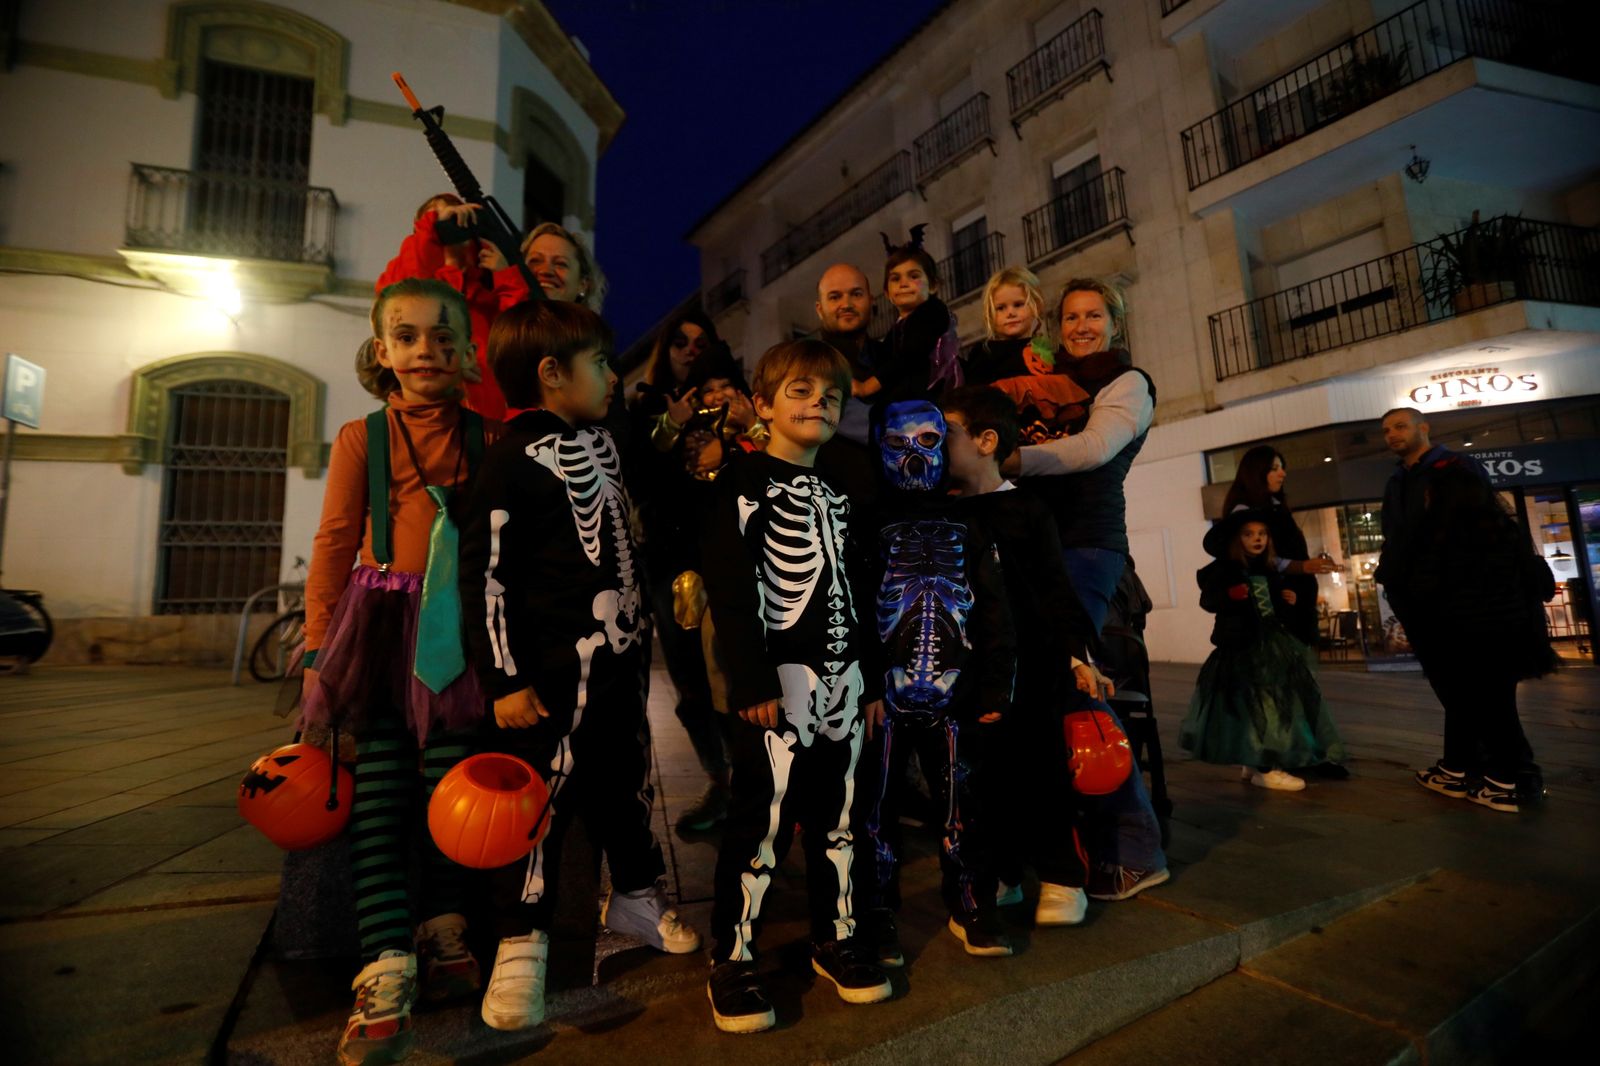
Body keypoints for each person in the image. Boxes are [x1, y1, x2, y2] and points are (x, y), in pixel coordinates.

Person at [457, 300, 701, 1034]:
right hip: (551, 677)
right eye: (598, 364)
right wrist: (504, 679)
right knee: (543, 801)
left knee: (623, 785)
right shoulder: (509, 459)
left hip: (620, 666)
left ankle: (633, 893)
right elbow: (487, 575)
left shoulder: (603, 443)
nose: (611, 376)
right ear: (551, 374)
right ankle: (520, 940)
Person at [298, 278, 493, 1066]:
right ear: (382, 353)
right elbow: (334, 541)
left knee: (453, 792)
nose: (427, 350)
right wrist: (318, 653)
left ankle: (445, 926)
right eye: (408, 337)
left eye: (444, 337)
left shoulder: (490, 438)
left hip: (458, 630)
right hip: (379, 630)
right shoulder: (361, 439)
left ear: (466, 352)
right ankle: (384, 961)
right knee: (379, 792)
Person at [699, 339, 892, 1034]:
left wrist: (868, 676)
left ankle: (835, 937)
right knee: (764, 820)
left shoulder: (838, 491)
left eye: (830, 396)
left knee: (840, 821)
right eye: (802, 391)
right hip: (777, 685)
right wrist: (750, 679)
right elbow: (729, 586)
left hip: (844, 680)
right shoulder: (740, 483)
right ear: (764, 405)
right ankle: (732, 954)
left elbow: (853, 588)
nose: (818, 404)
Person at [994, 276, 1166, 901]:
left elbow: (1093, 448)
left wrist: (1008, 462)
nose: (1081, 326)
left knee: (1073, 680)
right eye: (1070, 316)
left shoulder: (1128, 383)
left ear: (1115, 322)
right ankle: (1049, 842)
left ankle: (1135, 845)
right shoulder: (1042, 380)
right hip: (1033, 549)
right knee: (1026, 691)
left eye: (1094, 315)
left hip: (1088, 548)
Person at [941, 385, 1110, 931]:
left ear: (986, 441)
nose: (932, 447)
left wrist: (1076, 655)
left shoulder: (1028, 508)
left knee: (1042, 773)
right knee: (983, 783)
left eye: (946, 435)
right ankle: (1003, 874)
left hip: (1033, 669)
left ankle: (1062, 877)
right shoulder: (940, 518)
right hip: (970, 678)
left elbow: (1054, 589)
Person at [862, 398, 1018, 960]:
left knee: (963, 806)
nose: (913, 458)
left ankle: (973, 902)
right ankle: (875, 912)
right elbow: (852, 608)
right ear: (877, 449)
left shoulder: (969, 523)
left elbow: (995, 607)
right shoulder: (866, 524)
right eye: (897, 445)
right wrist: (866, 683)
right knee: (875, 809)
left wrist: (998, 684)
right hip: (882, 698)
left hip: (957, 696)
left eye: (928, 442)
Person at [626, 310, 729, 829]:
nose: (691, 350)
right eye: (680, 342)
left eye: (700, 342)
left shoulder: (728, 395)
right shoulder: (646, 405)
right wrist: (672, 424)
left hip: (729, 556)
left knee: (734, 673)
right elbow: (638, 476)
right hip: (675, 563)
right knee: (692, 676)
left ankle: (750, 782)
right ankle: (721, 781)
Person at [1407, 464, 1555, 812]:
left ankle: (1501, 786)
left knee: (1485, 712)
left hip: (1465, 641)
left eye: (1431, 492)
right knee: (1498, 708)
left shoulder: (1441, 535)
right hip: (1511, 636)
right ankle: (1468, 773)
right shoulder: (1504, 528)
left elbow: (1427, 590)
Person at [1202, 445, 1348, 778]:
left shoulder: (1274, 506)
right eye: (1274, 468)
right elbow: (1257, 564)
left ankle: (1291, 753)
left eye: (1282, 467)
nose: (1282, 473)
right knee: (1273, 689)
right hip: (1260, 624)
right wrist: (1300, 567)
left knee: (1288, 686)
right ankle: (1278, 757)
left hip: (1283, 608)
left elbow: (1270, 561)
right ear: (1256, 473)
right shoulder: (1248, 510)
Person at [1181, 510, 1347, 791]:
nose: (1257, 539)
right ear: (1236, 539)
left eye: (1262, 533)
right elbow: (1209, 600)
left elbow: (1270, 607)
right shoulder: (1223, 569)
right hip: (1240, 645)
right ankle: (1267, 766)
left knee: (1269, 701)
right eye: (1248, 534)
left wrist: (1285, 600)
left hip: (1270, 642)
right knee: (1260, 704)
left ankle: (1254, 760)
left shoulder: (1267, 568)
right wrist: (1230, 597)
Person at [377, 193, 532, 421]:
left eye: (459, 214)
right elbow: (401, 297)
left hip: (490, 422)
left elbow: (521, 336)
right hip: (432, 420)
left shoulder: (484, 293)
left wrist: (505, 276)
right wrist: (432, 229)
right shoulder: (410, 273)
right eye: (441, 216)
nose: (454, 218)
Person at [851, 226, 962, 410]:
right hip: (911, 404)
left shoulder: (933, 311)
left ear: (933, 286)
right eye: (895, 279)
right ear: (887, 293)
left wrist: (867, 386)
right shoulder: (897, 328)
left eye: (913, 276)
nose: (903, 283)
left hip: (937, 400)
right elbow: (884, 358)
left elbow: (910, 354)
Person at [520, 221, 606, 310]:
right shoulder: (504, 322)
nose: (545, 271)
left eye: (560, 264)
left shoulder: (592, 324)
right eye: (535, 261)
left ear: (583, 285)